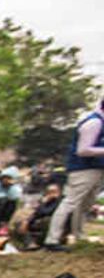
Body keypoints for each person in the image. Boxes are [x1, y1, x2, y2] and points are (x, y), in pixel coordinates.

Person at [45, 98, 104, 251]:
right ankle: (52, 240)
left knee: (85, 205)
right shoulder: (94, 123)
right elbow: (83, 149)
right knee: (70, 203)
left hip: (97, 169)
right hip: (83, 169)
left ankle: (80, 236)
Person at [13, 183, 62, 249]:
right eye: (49, 192)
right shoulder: (49, 201)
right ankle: (30, 243)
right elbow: (36, 213)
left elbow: (46, 212)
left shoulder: (60, 201)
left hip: (51, 224)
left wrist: (44, 203)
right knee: (20, 223)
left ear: (58, 192)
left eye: (53, 191)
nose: (51, 194)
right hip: (40, 223)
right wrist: (27, 221)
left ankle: (33, 243)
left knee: (45, 221)